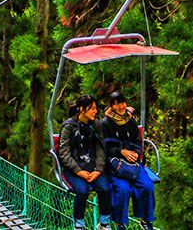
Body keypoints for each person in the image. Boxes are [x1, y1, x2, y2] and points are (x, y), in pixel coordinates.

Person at [100, 91, 155, 230]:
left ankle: (146, 220)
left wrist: (136, 153)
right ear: (111, 106)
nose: (121, 107)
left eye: (122, 103)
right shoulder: (105, 124)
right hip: (115, 164)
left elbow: (137, 141)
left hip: (132, 163)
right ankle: (120, 222)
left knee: (147, 186)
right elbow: (104, 147)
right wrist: (121, 151)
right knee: (123, 189)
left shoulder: (130, 121)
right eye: (116, 104)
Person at [59, 94, 113, 230]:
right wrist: (78, 171)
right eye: (92, 108)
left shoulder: (95, 125)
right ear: (82, 109)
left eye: (95, 108)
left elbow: (101, 148)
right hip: (75, 168)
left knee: (105, 188)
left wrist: (98, 170)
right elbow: (64, 153)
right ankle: (79, 225)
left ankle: (104, 223)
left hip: (93, 167)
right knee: (82, 191)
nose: (95, 111)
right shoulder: (69, 127)